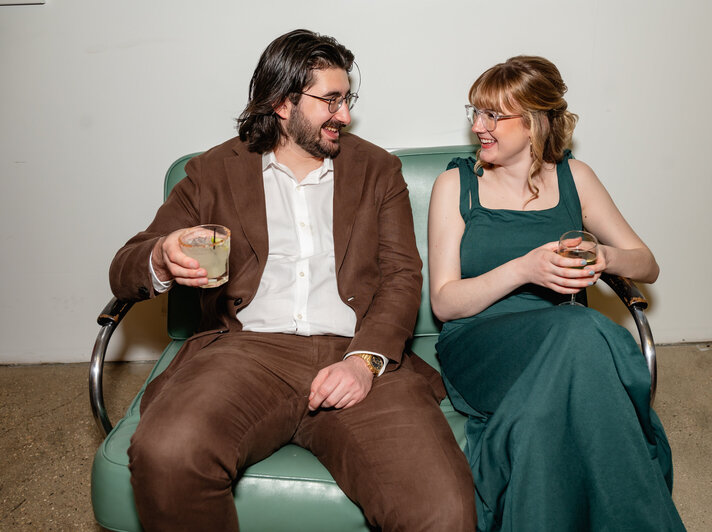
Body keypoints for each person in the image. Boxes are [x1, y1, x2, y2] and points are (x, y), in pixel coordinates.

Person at [109, 29, 475, 531]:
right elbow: (124, 266)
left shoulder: (376, 169)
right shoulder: (214, 172)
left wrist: (365, 362)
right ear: (282, 103)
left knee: (442, 509)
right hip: (247, 351)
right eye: (331, 100)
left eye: (347, 100)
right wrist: (161, 255)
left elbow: (400, 277)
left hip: (356, 351)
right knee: (168, 452)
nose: (344, 115)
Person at [428, 55, 685, 531]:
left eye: (493, 115)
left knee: (557, 397)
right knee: (581, 328)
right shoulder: (456, 185)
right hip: (480, 345)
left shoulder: (576, 178)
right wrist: (525, 268)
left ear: (533, 124)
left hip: (569, 349)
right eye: (475, 112)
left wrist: (605, 256)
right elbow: (444, 301)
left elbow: (647, 264)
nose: (479, 127)